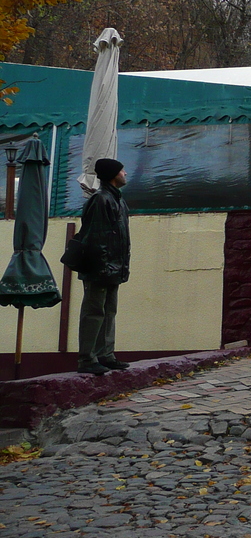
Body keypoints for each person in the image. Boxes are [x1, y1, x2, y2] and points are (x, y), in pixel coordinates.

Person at [76, 158, 131, 375]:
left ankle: (105, 355)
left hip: (113, 267)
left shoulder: (117, 200)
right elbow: (95, 238)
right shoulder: (101, 200)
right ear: (112, 175)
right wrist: (102, 268)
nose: (125, 173)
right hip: (101, 268)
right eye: (121, 170)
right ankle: (87, 358)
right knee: (94, 312)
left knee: (109, 311)